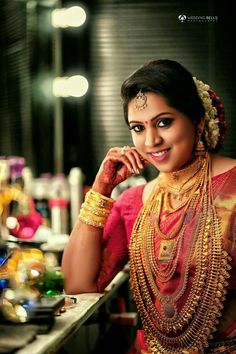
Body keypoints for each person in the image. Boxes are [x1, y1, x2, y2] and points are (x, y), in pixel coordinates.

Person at [61, 59, 236, 354]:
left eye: (164, 122)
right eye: (138, 128)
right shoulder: (133, 202)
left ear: (198, 121)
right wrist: (101, 188)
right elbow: (78, 284)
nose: (151, 140)